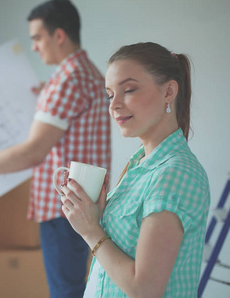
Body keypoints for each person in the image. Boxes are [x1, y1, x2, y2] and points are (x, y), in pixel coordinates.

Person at [0, 0, 111, 297]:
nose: (34, 47)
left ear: (59, 36)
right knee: (75, 287)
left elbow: (32, 153)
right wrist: (48, 95)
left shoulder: (67, 81)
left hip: (63, 210)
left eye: (37, 38)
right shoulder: (88, 73)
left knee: (65, 292)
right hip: (84, 205)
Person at [60, 42, 210, 297]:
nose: (114, 105)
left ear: (169, 91)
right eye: (110, 94)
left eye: (128, 90)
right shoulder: (140, 164)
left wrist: (90, 231)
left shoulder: (173, 174)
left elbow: (145, 289)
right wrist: (95, 216)